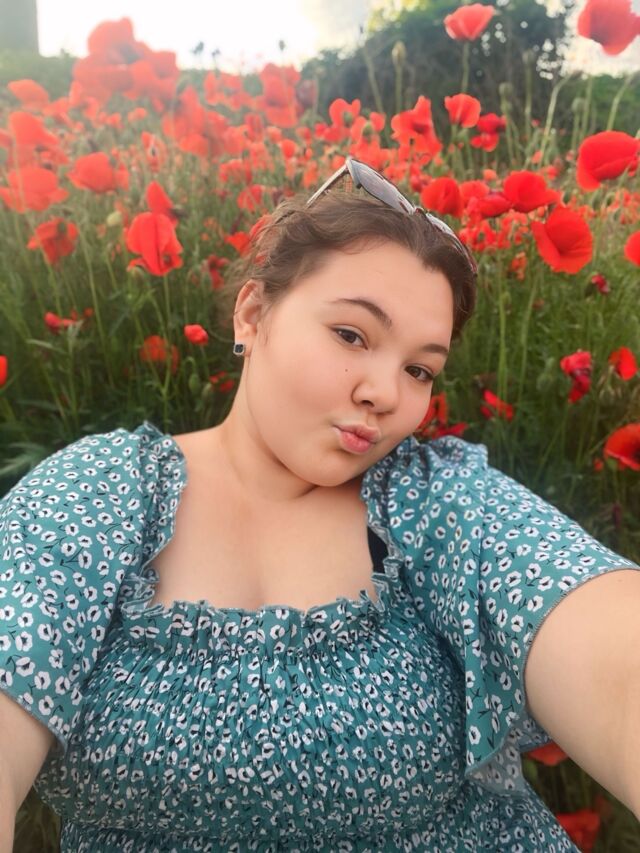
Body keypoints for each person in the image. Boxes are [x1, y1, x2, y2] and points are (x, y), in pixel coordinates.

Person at [0, 158, 639, 852]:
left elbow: (608, 653)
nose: (385, 393)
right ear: (253, 314)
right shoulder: (103, 492)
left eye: (419, 369)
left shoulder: (438, 500)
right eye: (352, 335)